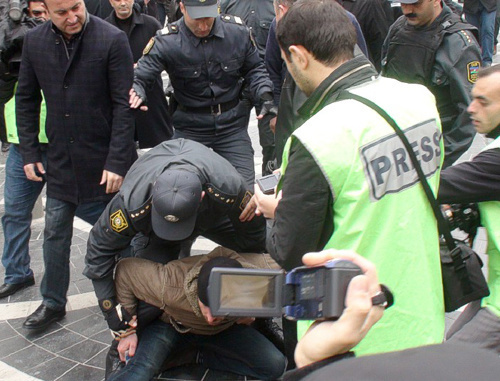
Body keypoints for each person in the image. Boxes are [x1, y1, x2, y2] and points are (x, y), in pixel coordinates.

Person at [252, 0, 445, 356]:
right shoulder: (420, 100)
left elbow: (289, 250)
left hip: (351, 333)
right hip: (423, 313)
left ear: (299, 55)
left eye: (286, 62)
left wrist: (277, 210)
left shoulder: (318, 137)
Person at [16, 0, 137, 330]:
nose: (72, 17)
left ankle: (135, 298)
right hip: (59, 162)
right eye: (62, 13)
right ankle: (53, 302)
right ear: (45, 11)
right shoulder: (35, 42)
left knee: (120, 235)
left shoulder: (111, 39)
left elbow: (123, 107)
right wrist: (29, 152)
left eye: (76, 8)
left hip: (104, 163)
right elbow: (25, 99)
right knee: (54, 233)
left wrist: (117, 162)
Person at [84, 139, 266, 330]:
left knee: (271, 254)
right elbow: (98, 248)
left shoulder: (228, 187)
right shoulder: (131, 203)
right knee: (146, 304)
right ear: (153, 197)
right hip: (156, 232)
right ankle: (126, 350)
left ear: (202, 197)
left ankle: (263, 326)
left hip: (212, 216)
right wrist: (109, 308)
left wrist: (251, 291)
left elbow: (254, 234)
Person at [129, 0, 276, 186]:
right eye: (197, 19)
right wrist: (138, 89)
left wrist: (264, 95)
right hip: (190, 127)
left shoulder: (236, 32)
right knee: (180, 190)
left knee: (244, 194)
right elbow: (142, 73)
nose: (203, 25)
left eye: (208, 17)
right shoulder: (168, 40)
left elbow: (255, 69)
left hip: (231, 126)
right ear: (182, 8)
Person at [105, 246, 286, 381]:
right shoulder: (169, 285)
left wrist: (250, 308)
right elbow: (125, 271)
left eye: (218, 312)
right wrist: (125, 331)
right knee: (140, 372)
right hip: (173, 326)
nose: (210, 319)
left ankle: (196, 355)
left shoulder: (262, 275)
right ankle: (178, 352)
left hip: (223, 332)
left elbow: (297, 266)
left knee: (274, 365)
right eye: (205, 309)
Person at [438, 65, 500, 354]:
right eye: (473, 98)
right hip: (493, 289)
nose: (471, 108)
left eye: (483, 102)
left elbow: (435, 186)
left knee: (450, 362)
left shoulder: (494, 163)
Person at [265, 0, 368, 166]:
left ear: (299, 57)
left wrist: (288, 176)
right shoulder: (414, 96)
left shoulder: (314, 137)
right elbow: (272, 68)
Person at [381, 0, 482, 168]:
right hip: (395, 144)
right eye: (403, 4)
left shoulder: (458, 43)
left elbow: (469, 114)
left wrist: (437, 161)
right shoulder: (398, 27)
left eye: (415, 4)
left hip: (430, 148)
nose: (407, 10)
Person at [0, 0, 48, 299]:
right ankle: (17, 272)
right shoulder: (12, 44)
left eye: (45, 14)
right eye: (34, 15)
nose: (38, 22)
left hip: (61, 146)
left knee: (87, 213)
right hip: (22, 145)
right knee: (15, 212)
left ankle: (118, 264)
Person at [219, 0, 277, 175]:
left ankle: (268, 190)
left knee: (271, 144)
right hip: (235, 86)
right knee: (230, 141)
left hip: (268, 87)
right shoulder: (227, 3)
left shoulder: (275, 4)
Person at [106, 0, 173, 148]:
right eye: (118, 0)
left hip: (152, 101)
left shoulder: (151, 25)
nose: (123, 3)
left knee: (160, 152)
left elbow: (168, 58)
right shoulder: (104, 30)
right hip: (119, 102)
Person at [336, 0, 391, 71]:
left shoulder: (369, 3)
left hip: (363, 71)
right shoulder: (321, 5)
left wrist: (378, 74)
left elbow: (380, 42)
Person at [463, 0, 496, 66]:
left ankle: (487, 61)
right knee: (472, 33)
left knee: (488, 29)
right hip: (470, 5)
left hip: (490, 5)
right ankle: (474, 60)